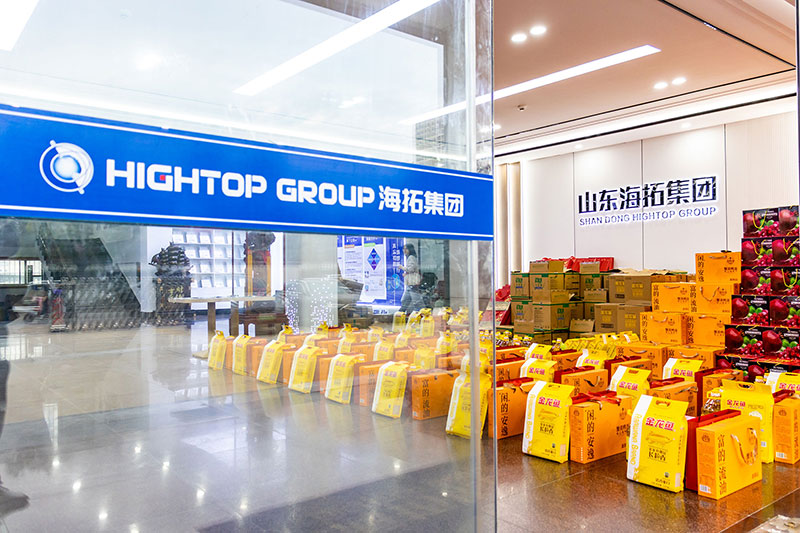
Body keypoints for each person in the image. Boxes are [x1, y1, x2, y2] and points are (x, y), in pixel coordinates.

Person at [398, 244, 422, 313]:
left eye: (406, 249)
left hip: (412, 284)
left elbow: (411, 269)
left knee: (416, 302)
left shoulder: (411, 257)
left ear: (410, 250)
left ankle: (420, 314)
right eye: (404, 249)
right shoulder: (410, 257)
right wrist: (406, 274)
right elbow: (412, 270)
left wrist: (402, 267)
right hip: (410, 284)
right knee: (404, 301)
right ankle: (400, 313)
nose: (404, 250)